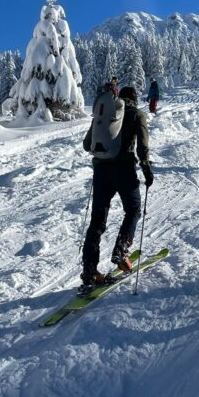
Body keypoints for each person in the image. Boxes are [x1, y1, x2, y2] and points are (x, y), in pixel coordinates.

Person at [81, 85, 154, 288]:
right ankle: (121, 250)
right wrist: (147, 168)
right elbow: (143, 145)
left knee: (97, 221)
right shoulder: (137, 114)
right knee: (133, 209)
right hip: (124, 170)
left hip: (101, 171)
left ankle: (89, 270)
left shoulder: (105, 114)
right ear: (134, 99)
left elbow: (87, 145)